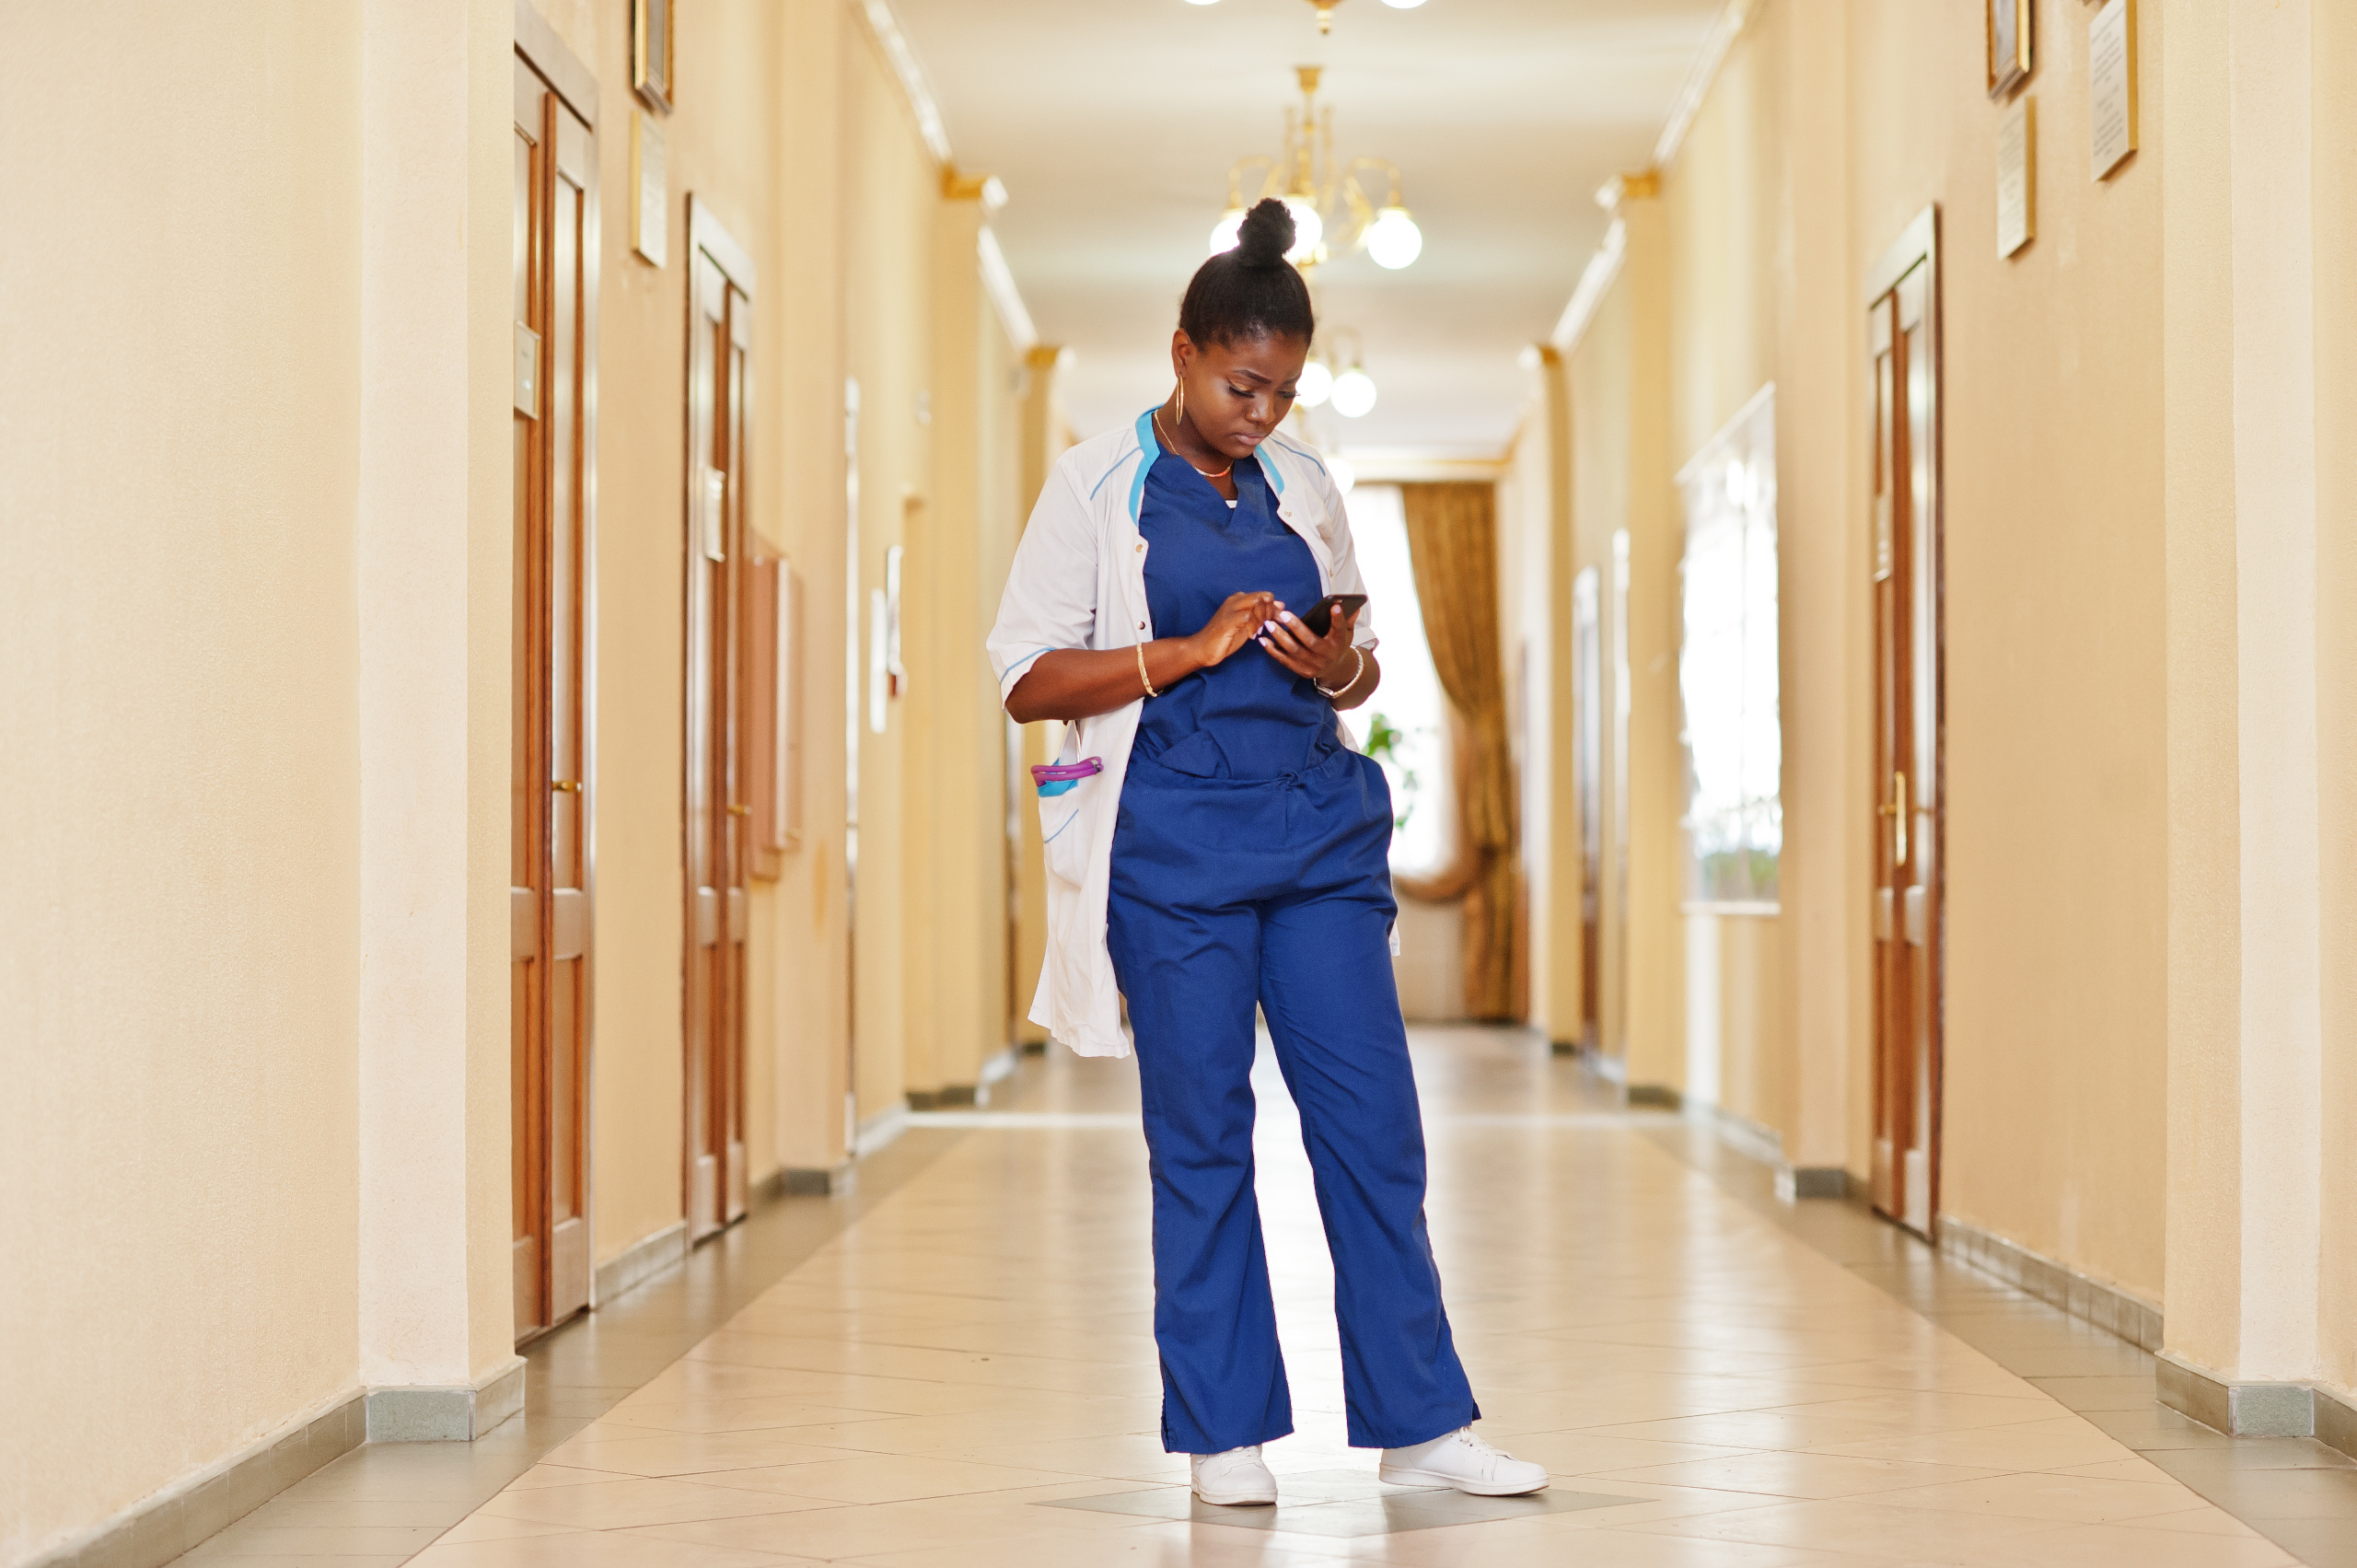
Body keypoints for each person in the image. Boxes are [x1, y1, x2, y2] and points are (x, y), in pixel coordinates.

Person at [985, 200, 1547, 1507]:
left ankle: (1423, 1421)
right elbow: (1025, 675)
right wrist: (1183, 651)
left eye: (1284, 392)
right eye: (1243, 385)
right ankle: (1221, 1432)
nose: (1264, 413)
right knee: (1203, 1138)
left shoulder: (1305, 483)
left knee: (1374, 1129)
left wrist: (1334, 660)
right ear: (1180, 353)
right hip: (1171, 854)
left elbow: (1357, 663)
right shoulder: (1092, 484)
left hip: (1315, 842)